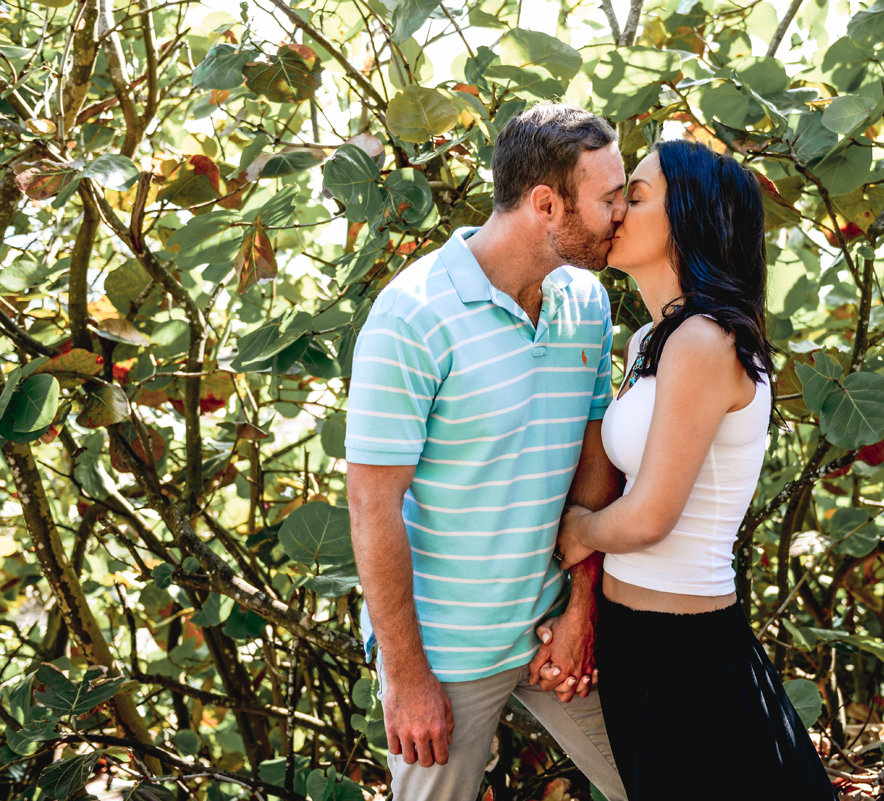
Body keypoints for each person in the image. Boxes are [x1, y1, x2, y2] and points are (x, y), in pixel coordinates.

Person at [345, 104, 629, 801]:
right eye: (609, 198)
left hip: (551, 633)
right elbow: (371, 501)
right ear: (545, 204)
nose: (623, 212)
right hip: (444, 654)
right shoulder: (412, 315)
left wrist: (581, 606)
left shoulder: (587, 302)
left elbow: (595, 456)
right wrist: (408, 677)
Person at [554, 140, 839, 801]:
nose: (618, 207)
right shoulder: (650, 341)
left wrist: (580, 529)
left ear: (689, 217)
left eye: (639, 194)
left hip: (688, 653)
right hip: (637, 639)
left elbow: (651, 514)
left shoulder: (705, 342)